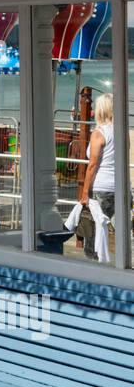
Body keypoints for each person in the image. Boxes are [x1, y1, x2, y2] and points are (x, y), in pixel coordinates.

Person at [79, 93, 115, 261]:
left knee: (92, 236)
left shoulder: (98, 133)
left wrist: (85, 193)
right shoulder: (120, 131)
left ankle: (94, 270)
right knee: (113, 233)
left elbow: (92, 165)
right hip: (118, 188)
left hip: (100, 188)